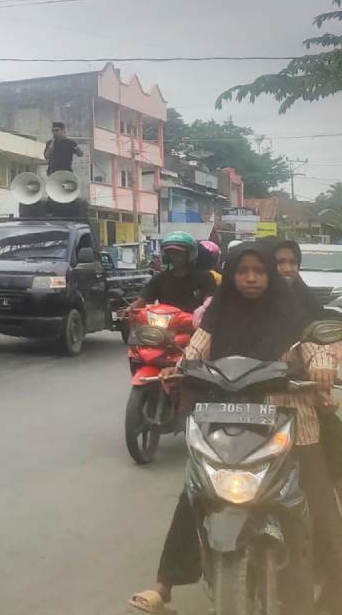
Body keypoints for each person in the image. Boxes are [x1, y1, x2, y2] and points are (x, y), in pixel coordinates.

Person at [129, 242, 342, 614]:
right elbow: (195, 352)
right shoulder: (218, 315)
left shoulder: (291, 314)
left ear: (269, 276)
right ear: (230, 275)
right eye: (242, 271)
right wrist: (177, 371)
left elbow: (315, 348)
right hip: (228, 421)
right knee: (194, 494)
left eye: (259, 271)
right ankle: (163, 585)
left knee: (321, 505)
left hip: (291, 424)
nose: (250, 278)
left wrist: (323, 367)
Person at [129, 232, 215, 312]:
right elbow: (143, 299)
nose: (174, 257)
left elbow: (209, 302)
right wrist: (129, 310)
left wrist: (204, 312)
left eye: (179, 253)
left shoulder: (204, 277)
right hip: (164, 324)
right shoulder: (160, 278)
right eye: (171, 253)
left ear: (189, 254)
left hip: (193, 324)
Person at [274, 238, 326, 321]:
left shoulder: (307, 298)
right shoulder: (254, 298)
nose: (287, 269)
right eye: (280, 262)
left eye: (292, 262)